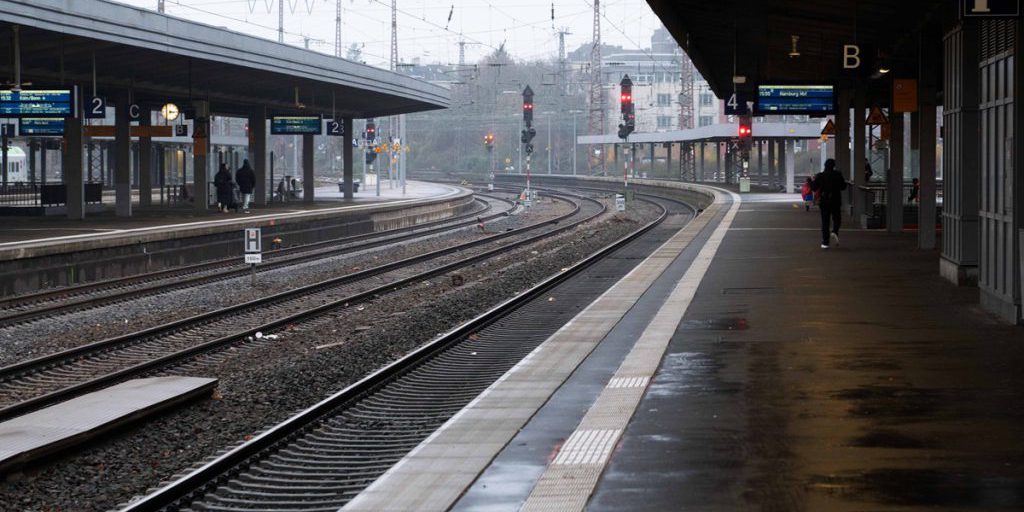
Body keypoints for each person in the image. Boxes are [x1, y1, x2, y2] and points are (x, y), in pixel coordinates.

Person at [810, 158, 847, 249]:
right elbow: (843, 186)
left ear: (825, 166)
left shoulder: (820, 176)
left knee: (825, 222)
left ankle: (825, 242)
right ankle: (835, 231)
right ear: (833, 166)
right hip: (836, 200)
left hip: (824, 200)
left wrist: (811, 181)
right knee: (837, 218)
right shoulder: (838, 174)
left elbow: (814, 188)